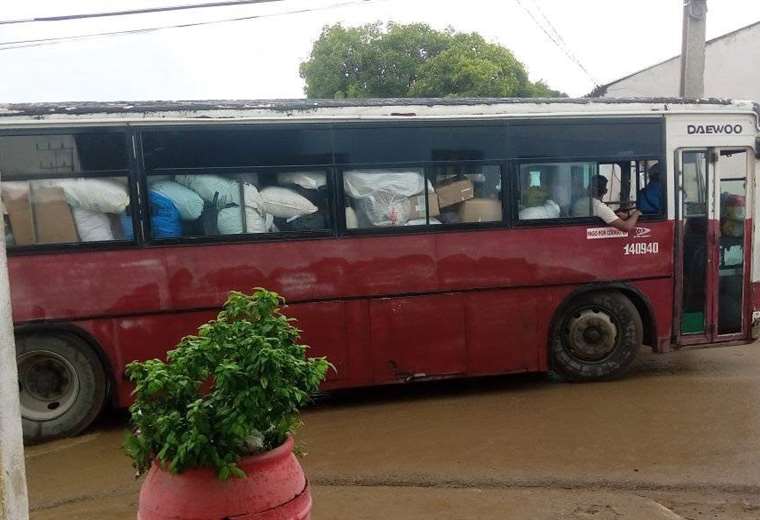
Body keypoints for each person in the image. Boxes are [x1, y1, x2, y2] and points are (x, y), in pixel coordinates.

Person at [572, 175, 641, 231]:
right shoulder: (598, 206)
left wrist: (617, 213)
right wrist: (637, 212)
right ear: (605, 191)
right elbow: (626, 227)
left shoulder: (579, 202)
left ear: (588, 188)